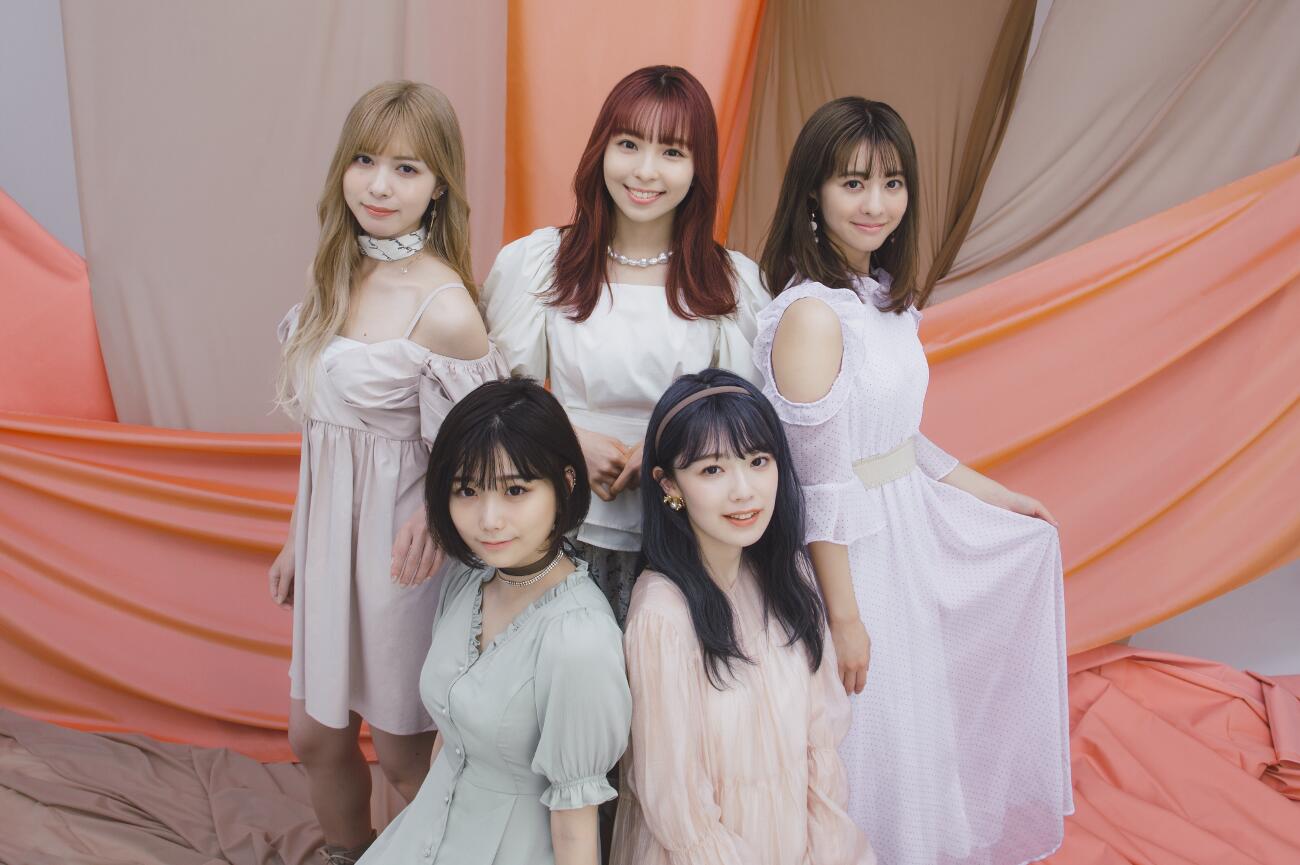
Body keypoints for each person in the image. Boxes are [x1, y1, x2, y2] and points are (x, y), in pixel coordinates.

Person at [754, 97, 1072, 864]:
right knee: (861, 731)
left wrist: (995, 494)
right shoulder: (813, 317)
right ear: (812, 193)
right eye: (853, 183)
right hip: (847, 556)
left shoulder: (884, 300)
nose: (876, 203)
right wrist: (846, 614)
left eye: (892, 183)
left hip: (902, 540)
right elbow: (818, 485)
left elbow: (898, 439)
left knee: (910, 726)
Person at [269, 80, 508, 864]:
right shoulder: (333, 272)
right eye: (365, 160)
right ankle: (350, 852)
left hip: (405, 552)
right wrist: (297, 538)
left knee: (406, 755)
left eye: (407, 168)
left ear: (439, 184)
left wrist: (438, 517)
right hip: (330, 541)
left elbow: (481, 453)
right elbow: (324, 435)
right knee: (314, 733)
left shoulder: (446, 307)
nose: (379, 185)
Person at [481, 65, 769, 624]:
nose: (645, 171)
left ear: (699, 168)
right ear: (602, 150)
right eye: (629, 144)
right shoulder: (539, 263)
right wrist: (566, 440)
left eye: (672, 152)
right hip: (555, 527)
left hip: (685, 537)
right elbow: (494, 399)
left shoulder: (734, 283)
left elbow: (747, 417)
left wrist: (667, 448)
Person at [360, 376, 631, 865]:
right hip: (426, 835)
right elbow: (450, 741)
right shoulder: (468, 581)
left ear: (566, 484)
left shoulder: (579, 639)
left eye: (515, 490)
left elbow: (576, 825)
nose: (489, 519)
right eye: (467, 490)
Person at [611, 369, 874, 865]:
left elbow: (819, 755)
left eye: (758, 462)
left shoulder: (785, 576)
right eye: (712, 470)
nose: (744, 491)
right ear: (669, 485)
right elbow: (679, 810)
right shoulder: (662, 617)